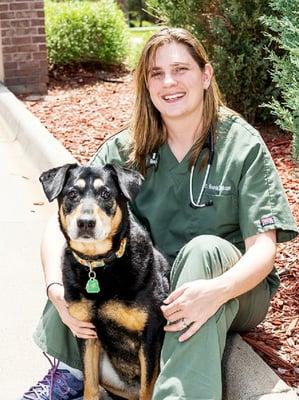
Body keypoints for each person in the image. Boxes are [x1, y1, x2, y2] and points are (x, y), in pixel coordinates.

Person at [21, 27, 298, 400]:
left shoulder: (241, 146)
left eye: (181, 69)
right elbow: (64, 221)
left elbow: (264, 251)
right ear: (146, 85)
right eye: (156, 73)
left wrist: (217, 290)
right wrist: (55, 289)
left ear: (206, 75)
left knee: (202, 251)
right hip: (156, 285)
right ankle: (72, 372)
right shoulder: (127, 146)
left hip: (235, 286)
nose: (169, 82)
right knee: (85, 254)